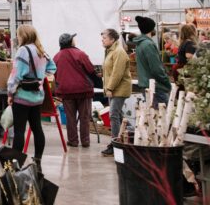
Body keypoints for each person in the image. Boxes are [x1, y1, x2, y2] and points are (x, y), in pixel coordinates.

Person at [7, 25, 57, 173]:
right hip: (37, 98)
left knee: (19, 131)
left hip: (22, 97)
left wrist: (10, 93)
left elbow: (16, 75)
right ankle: (38, 160)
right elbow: (53, 67)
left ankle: (16, 163)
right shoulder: (41, 50)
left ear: (23, 35)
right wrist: (40, 77)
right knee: (37, 129)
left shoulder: (23, 51)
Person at [53, 33, 95, 148]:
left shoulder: (56, 57)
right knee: (84, 117)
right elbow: (91, 69)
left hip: (66, 91)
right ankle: (85, 141)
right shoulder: (80, 54)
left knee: (70, 117)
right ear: (70, 42)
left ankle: (73, 141)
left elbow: (55, 73)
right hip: (83, 90)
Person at [100, 28, 132, 156]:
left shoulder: (118, 52)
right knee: (118, 115)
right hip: (114, 88)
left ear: (112, 40)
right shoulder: (110, 51)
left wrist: (110, 88)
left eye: (104, 38)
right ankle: (127, 136)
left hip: (118, 89)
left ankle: (115, 143)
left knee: (113, 114)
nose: (102, 40)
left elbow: (117, 73)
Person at [132, 15, 171, 107]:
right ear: (151, 29)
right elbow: (156, 68)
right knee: (162, 117)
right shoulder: (148, 44)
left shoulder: (140, 44)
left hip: (146, 84)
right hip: (155, 87)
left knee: (153, 115)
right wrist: (166, 82)